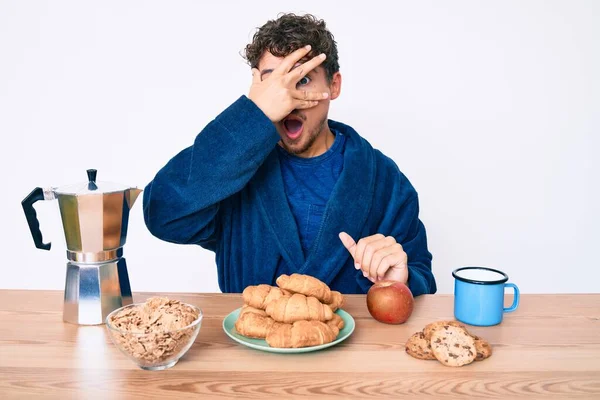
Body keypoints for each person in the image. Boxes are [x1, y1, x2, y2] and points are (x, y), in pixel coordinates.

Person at [143, 13, 437, 296]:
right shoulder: (233, 171)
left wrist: (402, 280)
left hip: (352, 344)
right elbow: (164, 214)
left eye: (304, 80)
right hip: (248, 341)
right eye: (274, 84)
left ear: (334, 85)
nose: (288, 100)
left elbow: (421, 276)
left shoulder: (385, 180)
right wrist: (251, 115)